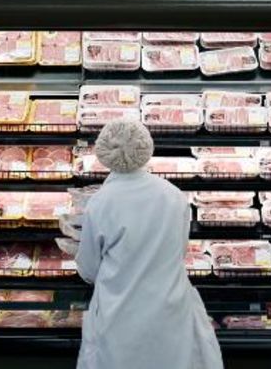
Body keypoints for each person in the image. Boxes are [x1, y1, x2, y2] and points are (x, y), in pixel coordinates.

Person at [72, 118, 223, 369]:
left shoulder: (100, 203)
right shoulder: (173, 195)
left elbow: (89, 269)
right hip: (171, 308)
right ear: (146, 148)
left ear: (104, 153)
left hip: (119, 313)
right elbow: (180, 250)